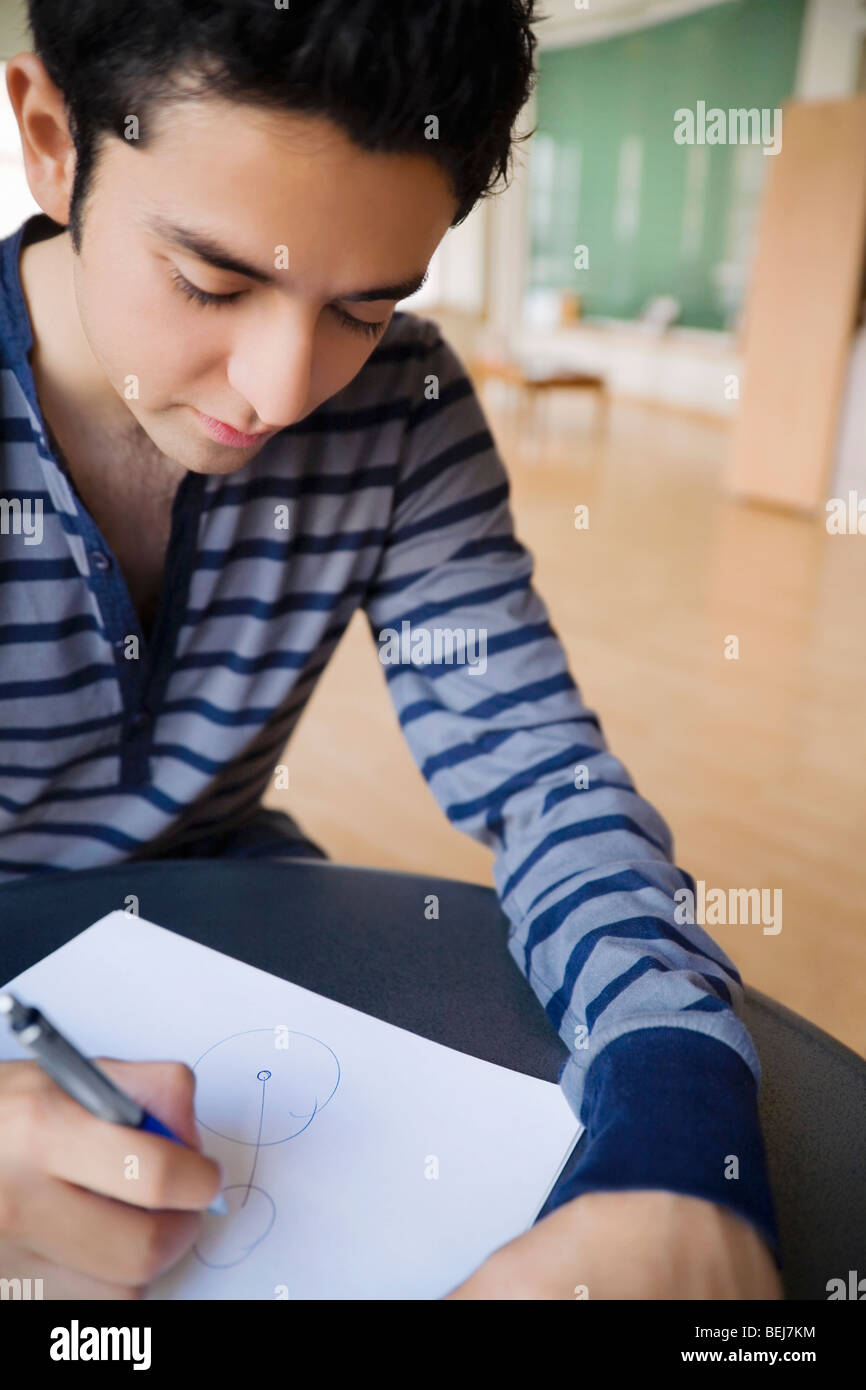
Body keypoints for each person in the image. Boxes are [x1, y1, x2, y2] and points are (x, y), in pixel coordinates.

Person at [0, 0, 781, 1299]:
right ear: (50, 138)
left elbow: (542, 777)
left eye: (365, 306)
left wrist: (681, 1137)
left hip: (236, 907)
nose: (279, 390)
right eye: (211, 281)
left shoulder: (404, 407)